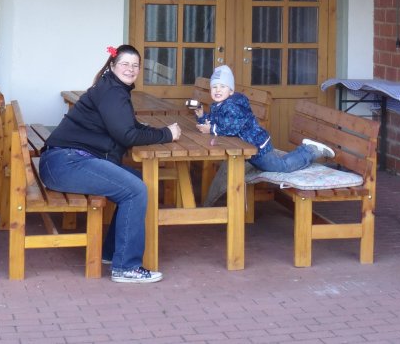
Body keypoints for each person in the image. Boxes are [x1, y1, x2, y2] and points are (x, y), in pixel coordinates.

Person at [38, 44, 181, 284]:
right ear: (113, 65)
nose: (130, 69)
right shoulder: (112, 92)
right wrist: (166, 134)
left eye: (135, 65)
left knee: (138, 182)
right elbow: (126, 135)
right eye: (125, 64)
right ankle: (126, 267)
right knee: (135, 190)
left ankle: (111, 252)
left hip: (66, 160)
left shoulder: (112, 88)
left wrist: (157, 131)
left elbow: (127, 125)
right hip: (66, 163)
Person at [192, 64, 335, 174]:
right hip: (245, 147)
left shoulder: (233, 105)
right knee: (271, 164)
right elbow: (217, 121)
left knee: (282, 166)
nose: (218, 90)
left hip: (256, 147)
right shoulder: (219, 105)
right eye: (214, 87)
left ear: (231, 90)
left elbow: (232, 126)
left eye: (222, 86)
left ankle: (310, 150)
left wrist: (211, 129)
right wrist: (202, 116)